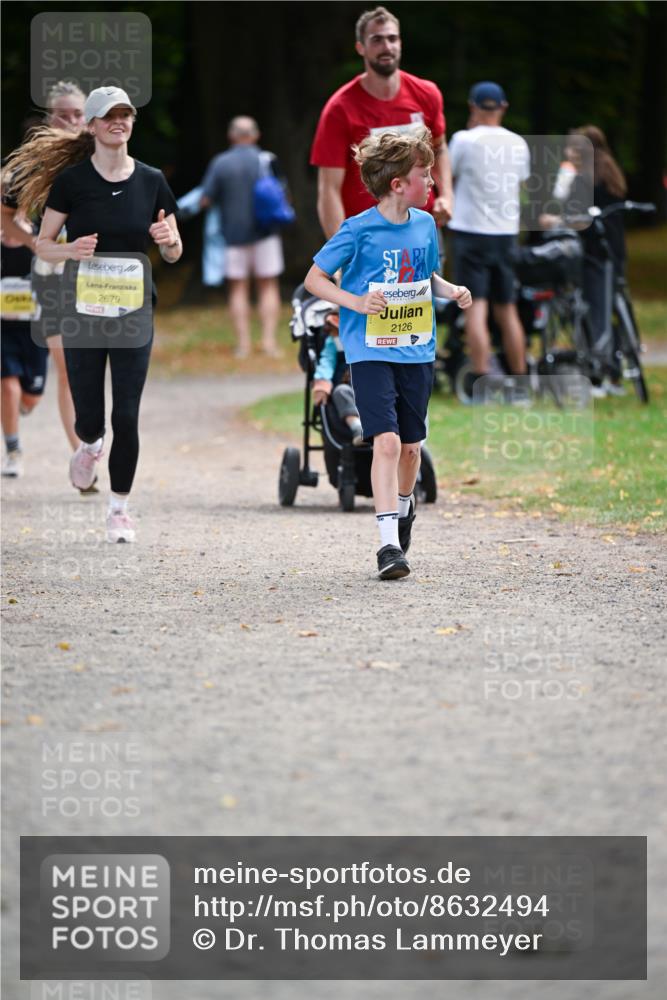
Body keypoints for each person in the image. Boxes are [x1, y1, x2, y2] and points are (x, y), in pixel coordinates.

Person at [6, 86, 182, 542]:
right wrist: (69, 250)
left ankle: (119, 509)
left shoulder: (152, 180)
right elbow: (42, 244)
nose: (118, 122)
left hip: (133, 312)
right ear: (93, 125)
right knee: (92, 416)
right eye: (108, 116)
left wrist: (168, 240)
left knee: (126, 414)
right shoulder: (72, 182)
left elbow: (175, 251)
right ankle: (87, 445)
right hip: (82, 311)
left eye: (125, 114)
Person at [304, 127, 471, 580]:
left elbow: (427, 275)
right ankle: (387, 545)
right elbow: (314, 279)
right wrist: (356, 302)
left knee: (412, 449)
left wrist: (450, 290)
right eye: (425, 174)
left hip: (417, 350)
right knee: (388, 441)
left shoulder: (425, 224)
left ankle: (403, 508)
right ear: (399, 183)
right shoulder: (357, 230)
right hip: (369, 349)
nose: (433, 182)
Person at [1, 82, 92, 479]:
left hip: (99, 275)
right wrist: (34, 244)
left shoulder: (104, 154)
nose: (72, 121)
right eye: (64, 114)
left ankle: (96, 439)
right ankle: (83, 456)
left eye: (78, 114)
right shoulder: (33, 165)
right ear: (49, 118)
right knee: (70, 367)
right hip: (52, 274)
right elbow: (4, 214)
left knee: (96, 365)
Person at [310, 5, 453, 240]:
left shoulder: (427, 94)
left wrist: (447, 196)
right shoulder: (340, 108)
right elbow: (328, 189)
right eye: (376, 40)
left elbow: (440, 149)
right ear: (361, 48)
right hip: (368, 237)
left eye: (392, 38)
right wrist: (340, 253)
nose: (386, 47)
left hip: (422, 230)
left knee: (432, 279)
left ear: (400, 43)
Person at [447, 81, 531, 396]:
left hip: (471, 232)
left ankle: (482, 380)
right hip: (506, 234)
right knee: (507, 309)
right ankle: (520, 381)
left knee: (475, 308)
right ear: (503, 107)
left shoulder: (463, 141)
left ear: (472, 107)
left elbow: (449, 178)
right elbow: (520, 184)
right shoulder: (518, 144)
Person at [541, 126, 628, 395]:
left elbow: (577, 217)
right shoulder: (610, 173)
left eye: (571, 147)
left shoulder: (584, 179)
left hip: (592, 255)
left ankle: (599, 374)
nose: (567, 152)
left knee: (595, 313)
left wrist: (555, 218)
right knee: (609, 309)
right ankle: (614, 370)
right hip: (614, 252)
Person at [200, 116, 286, 359]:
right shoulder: (267, 160)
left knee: (238, 289)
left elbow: (205, 199)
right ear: (256, 135)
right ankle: (269, 343)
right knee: (268, 286)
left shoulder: (221, 163)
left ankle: (243, 345)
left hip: (233, 235)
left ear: (232, 136)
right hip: (266, 232)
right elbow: (283, 195)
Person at [1, 216, 48, 476]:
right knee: (8, 386)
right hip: (3, 331)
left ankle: (17, 405)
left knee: (30, 398)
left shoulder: (41, 238)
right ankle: (13, 450)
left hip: (35, 331)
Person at [311, 310, 364, 446]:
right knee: (340, 391)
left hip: (370, 386)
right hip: (347, 388)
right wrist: (322, 384)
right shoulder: (334, 340)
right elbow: (327, 362)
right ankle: (356, 427)